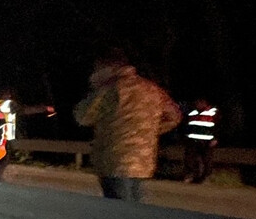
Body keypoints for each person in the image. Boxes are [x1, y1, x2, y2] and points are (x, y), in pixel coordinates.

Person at [73, 49, 182, 201]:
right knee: (134, 209)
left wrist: (97, 86)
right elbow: (174, 116)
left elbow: (82, 116)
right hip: (143, 160)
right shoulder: (152, 89)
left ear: (109, 67)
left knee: (119, 211)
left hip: (114, 158)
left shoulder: (112, 89)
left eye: (97, 68)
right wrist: (146, 131)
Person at [0, 91, 56, 181]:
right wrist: (44, 108)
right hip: (5, 135)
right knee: (4, 158)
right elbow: (25, 110)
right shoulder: (10, 104)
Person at [182, 98, 218, 184]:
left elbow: (217, 126)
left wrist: (215, 138)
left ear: (204, 103)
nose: (197, 104)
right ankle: (191, 175)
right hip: (193, 140)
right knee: (190, 159)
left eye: (199, 102)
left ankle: (206, 177)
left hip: (207, 141)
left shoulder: (212, 112)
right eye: (196, 103)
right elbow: (188, 125)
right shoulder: (193, 112)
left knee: (207, 160)